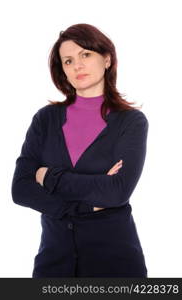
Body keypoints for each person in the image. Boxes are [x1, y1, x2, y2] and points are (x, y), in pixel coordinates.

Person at [11, 23, 149, 277]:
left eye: (86, 54)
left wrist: (49, 177)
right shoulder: (45, 119)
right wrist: (83, 205)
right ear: (62, 70)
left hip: (115, 265)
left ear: (106, 59)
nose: (77, 65)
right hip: (53, 264)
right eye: (68, 61)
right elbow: (20, 189)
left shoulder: (131, 122)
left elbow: (117, 192)